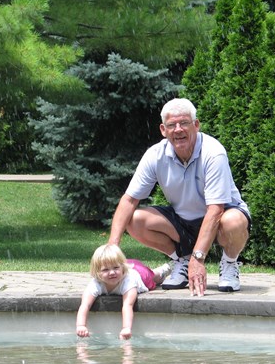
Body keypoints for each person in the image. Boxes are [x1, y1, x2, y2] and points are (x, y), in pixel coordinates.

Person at [107, 98, 250, 297]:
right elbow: (129, 200)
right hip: (183, 222)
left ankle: (229, 263)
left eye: (184, 123)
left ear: (196, 125)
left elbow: (216, 210)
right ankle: (182, 259)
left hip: (220, 218)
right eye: (171, 125)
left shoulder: (213, 152)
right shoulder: (155, 155)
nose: (178, 130)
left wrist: (199, 259)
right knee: (135, 220)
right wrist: (112, 246)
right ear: (163, 130)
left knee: (233, 221)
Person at [76, 244, 171, 340]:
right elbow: (85, 305)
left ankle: (163, 270)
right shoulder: (96, 283)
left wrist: (126, 328)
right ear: (97, 272)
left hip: (140, 273)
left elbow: (128, 305)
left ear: (122, 267)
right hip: (127, 265)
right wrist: (81, 325)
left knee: (154, 277)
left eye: (115, 268)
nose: (112, 272)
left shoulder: (128, 281)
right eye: (105, 269)